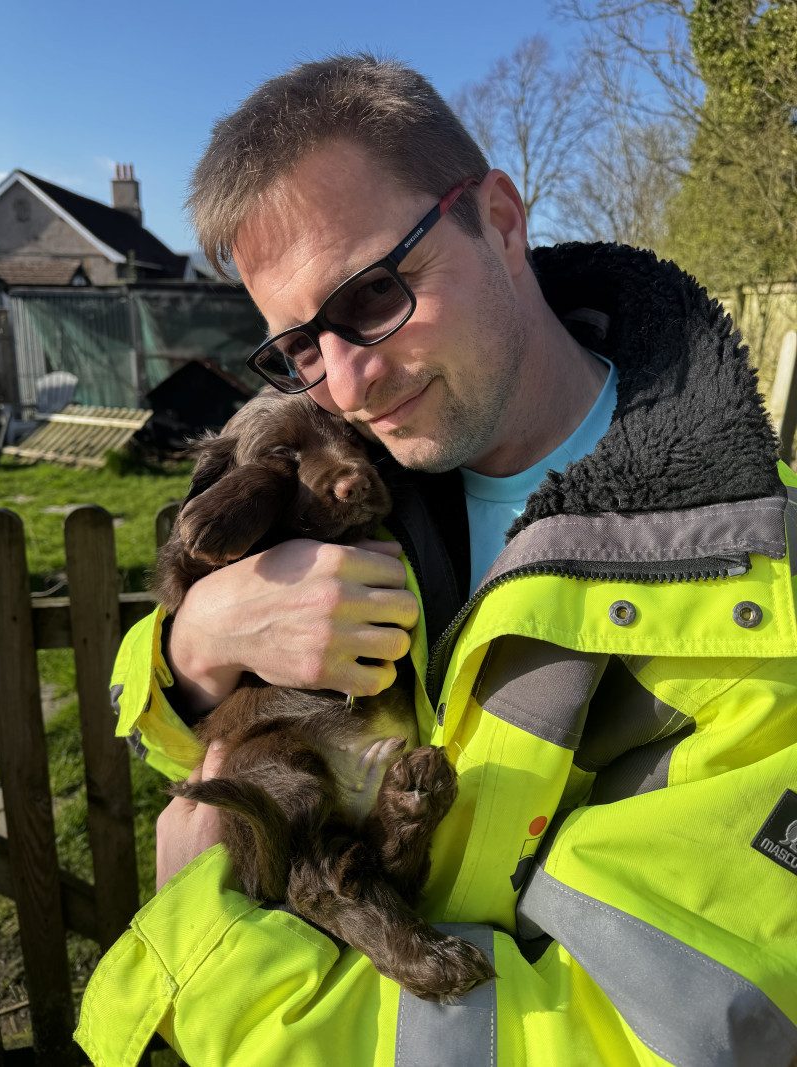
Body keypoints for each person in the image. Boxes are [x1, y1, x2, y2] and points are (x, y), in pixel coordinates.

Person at [75, 55, 797, 1067]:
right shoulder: (368, 473)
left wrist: (200, 959)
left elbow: (657, 1037)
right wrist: (197, 648)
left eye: (373, 294)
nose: (348, 379)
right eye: (298, 345)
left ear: (499, 219)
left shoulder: (756, 603)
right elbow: (225, 728)